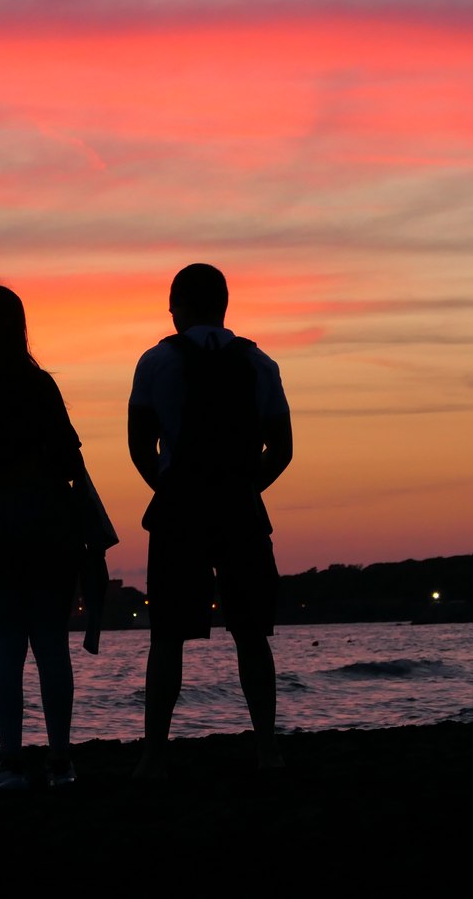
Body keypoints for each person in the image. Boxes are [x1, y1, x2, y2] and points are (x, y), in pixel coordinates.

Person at [0, 280, 116, 794]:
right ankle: (60, 763)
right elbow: (72, 458)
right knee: (51, 646)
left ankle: (11, 763)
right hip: (49, 523)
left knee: (5, 648)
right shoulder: (40, 387)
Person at [128, 263, 292, 779]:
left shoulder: (155, 362)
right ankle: (267, 750)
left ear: (176, 307)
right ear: (223, 306)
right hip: (242, 509)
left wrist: (169, 489)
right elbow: (282, 449)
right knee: (251, 634)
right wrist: (246, 489)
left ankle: (154, 757)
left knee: (166, 637)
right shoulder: (261, 363)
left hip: (180, 511)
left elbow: (139, 445)